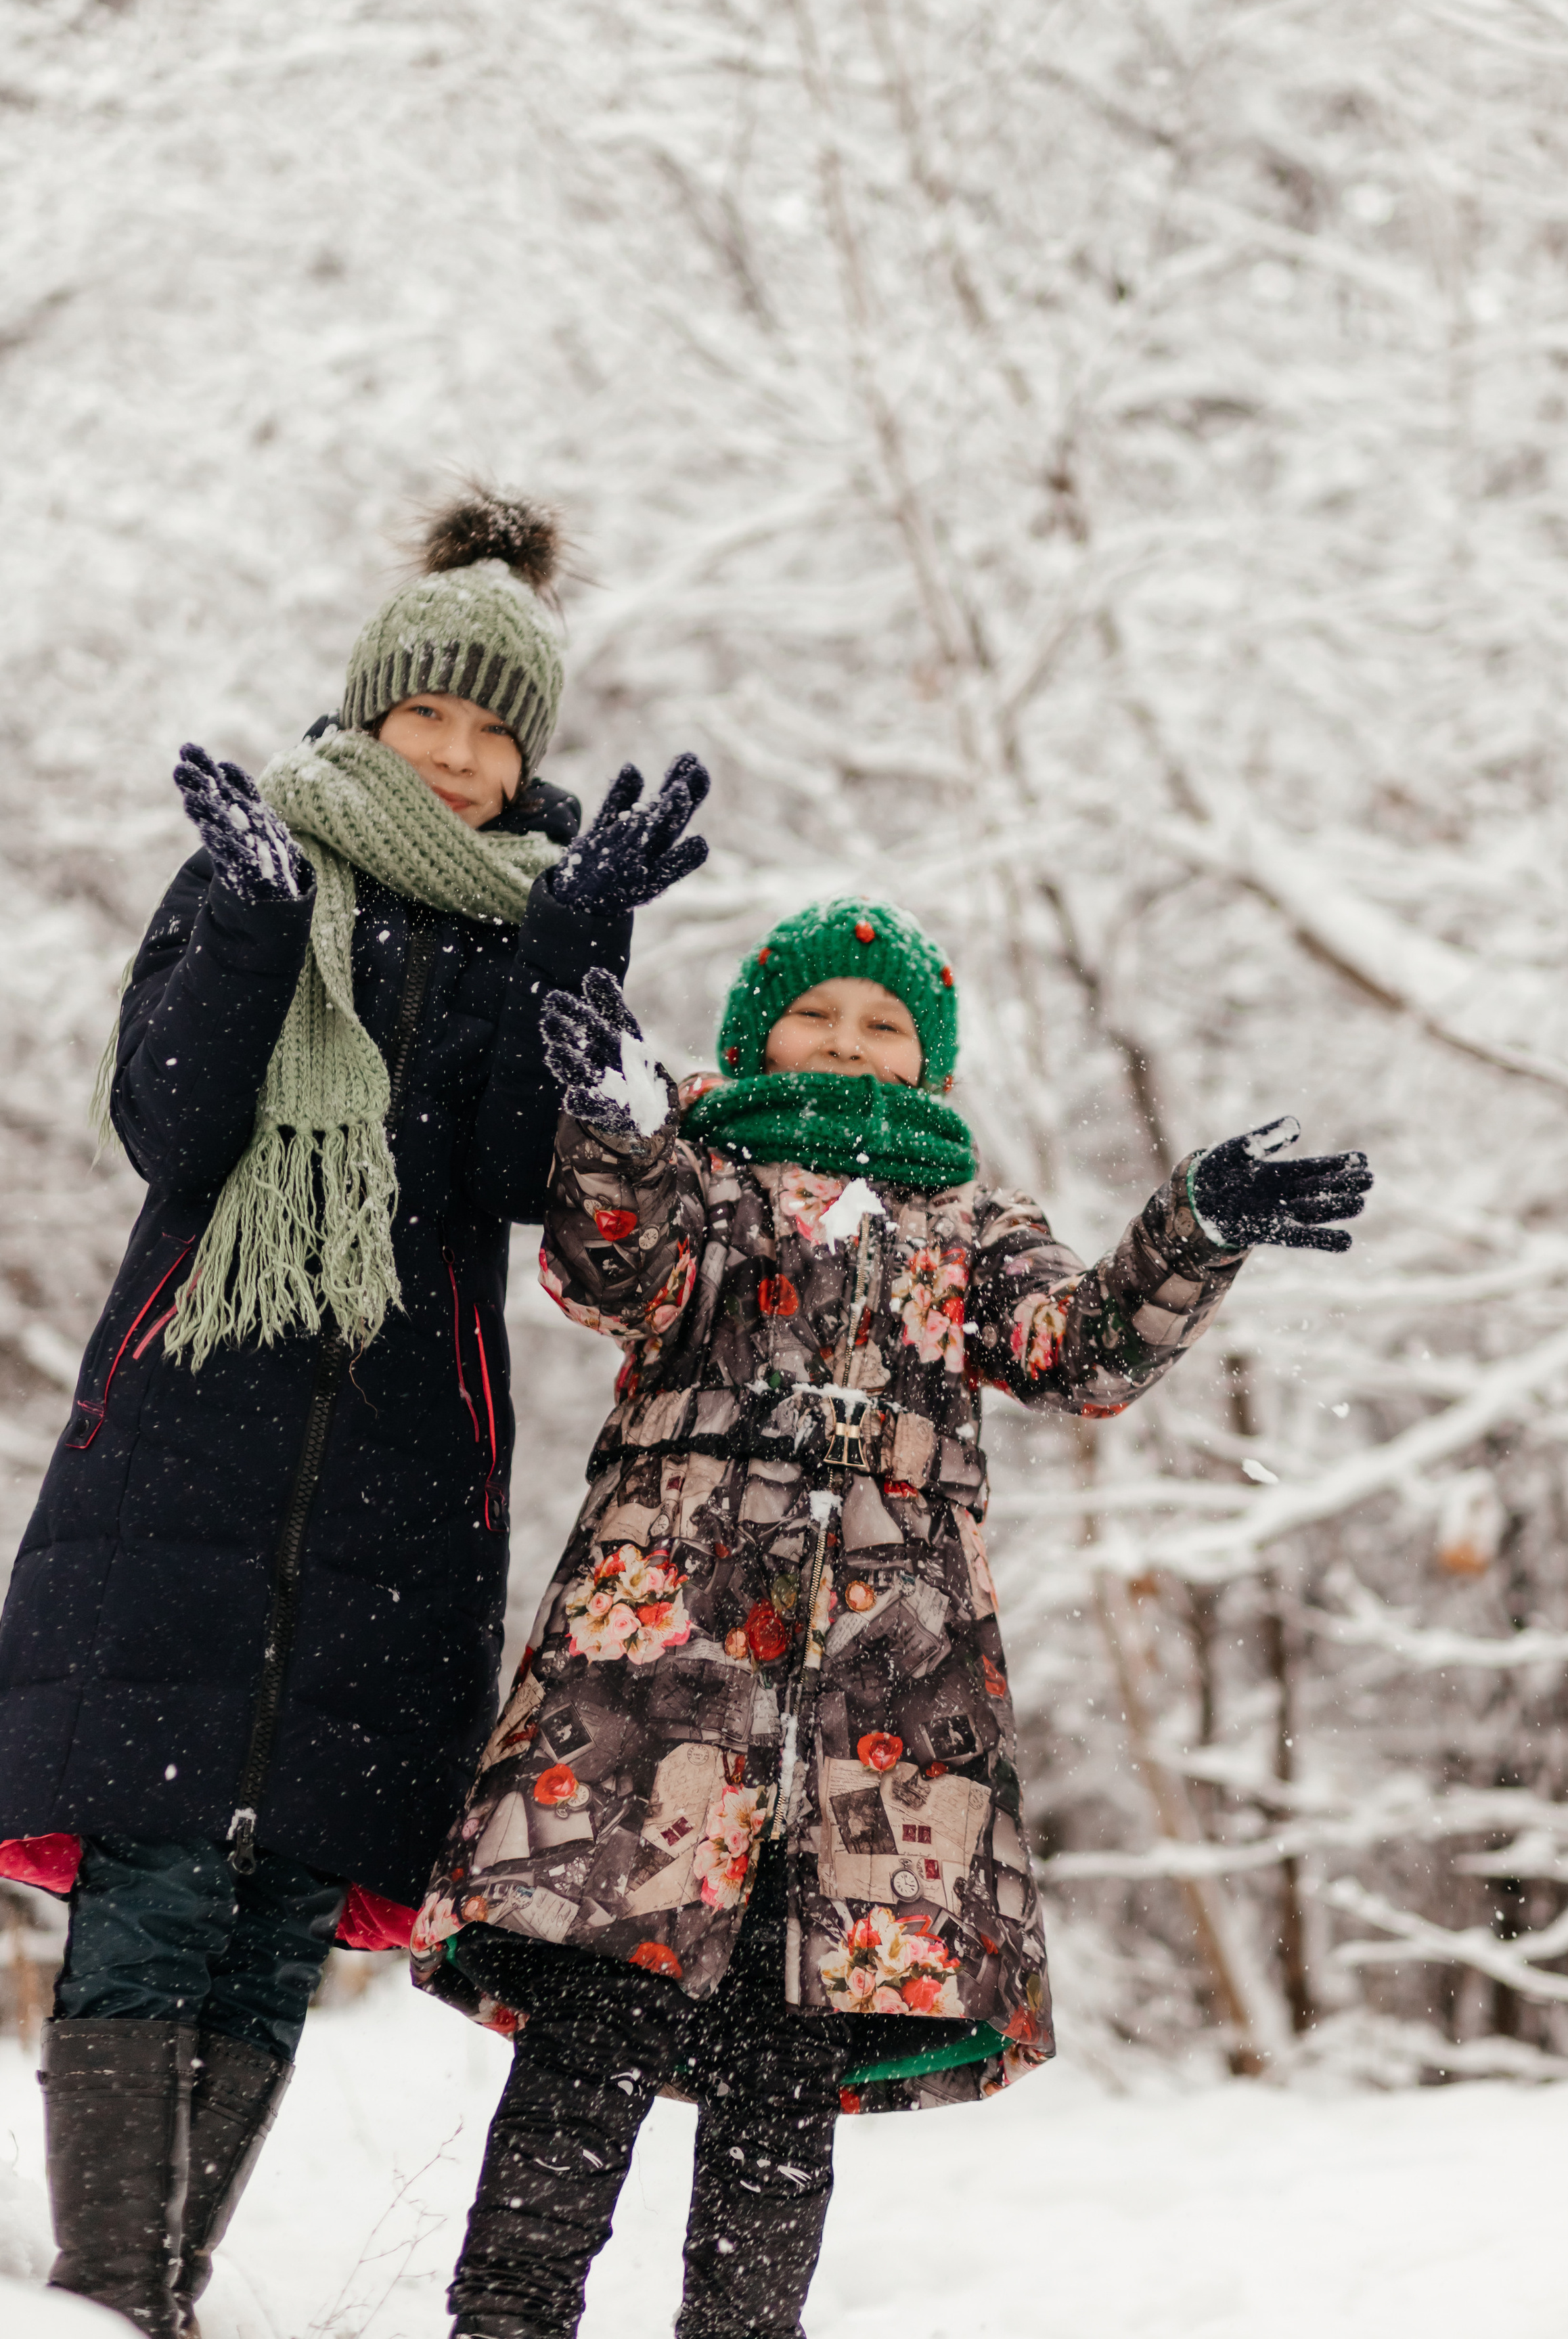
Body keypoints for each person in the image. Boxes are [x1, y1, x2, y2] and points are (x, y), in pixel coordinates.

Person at [410, 897, 1373, 2339]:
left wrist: (1190, 1230)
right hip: (661, 1671)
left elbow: (1080, 1351)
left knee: (783, 2066)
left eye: (885, 1027)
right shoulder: (701, 1173)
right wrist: (615, 1129)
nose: (849, 1046)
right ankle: (507, 2315)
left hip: (878, 1706)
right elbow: (610, 1274)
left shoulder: (973, 1223)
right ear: (754, 1037)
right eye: (818, 1017)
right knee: (594, 2028)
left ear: (927, 1068)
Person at [0, 490, 711, 2338]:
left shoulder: (520, 928)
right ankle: (109, 2299)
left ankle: (171, 2291)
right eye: (434, 719)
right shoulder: (262, 870)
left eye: (499, 731)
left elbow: (524, 1176)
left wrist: (586, 949)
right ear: (374, 707)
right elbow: (172, 1122)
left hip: (410, 1461)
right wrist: (245, 930)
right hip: (188, 1428)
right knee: (157, 1876)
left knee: (286, 1903)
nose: (464, 760)